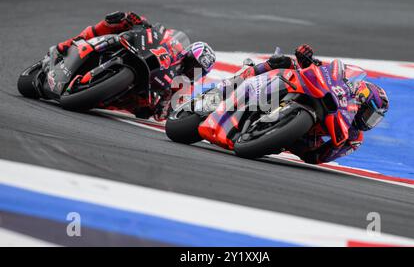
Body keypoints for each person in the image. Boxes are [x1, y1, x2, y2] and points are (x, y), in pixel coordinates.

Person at [229, 44, 389, 164]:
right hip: (308, 96)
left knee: (311, 153)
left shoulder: (354, 138)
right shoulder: (344, 91)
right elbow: (325, 73)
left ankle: (267, 133)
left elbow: (317, 158)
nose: (369, 121)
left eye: (374, 119)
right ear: (360, 99)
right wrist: (308, 59)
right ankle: (242, 77)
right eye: (369, 114)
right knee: (284, 62)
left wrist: (333, 147)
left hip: (303, 139)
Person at [56, 11, 216, 120]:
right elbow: (160, 32)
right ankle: (71, 42)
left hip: (142, 86)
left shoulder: (183, 86)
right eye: (193, 63)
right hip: (141, 52)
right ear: (187, 54)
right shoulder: (175, 47)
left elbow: (162, 115)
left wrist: (165, 100)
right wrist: (140, 22)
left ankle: (96, 96)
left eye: (198, 69)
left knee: (144, 110)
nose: (192, 69)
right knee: (119, 20)